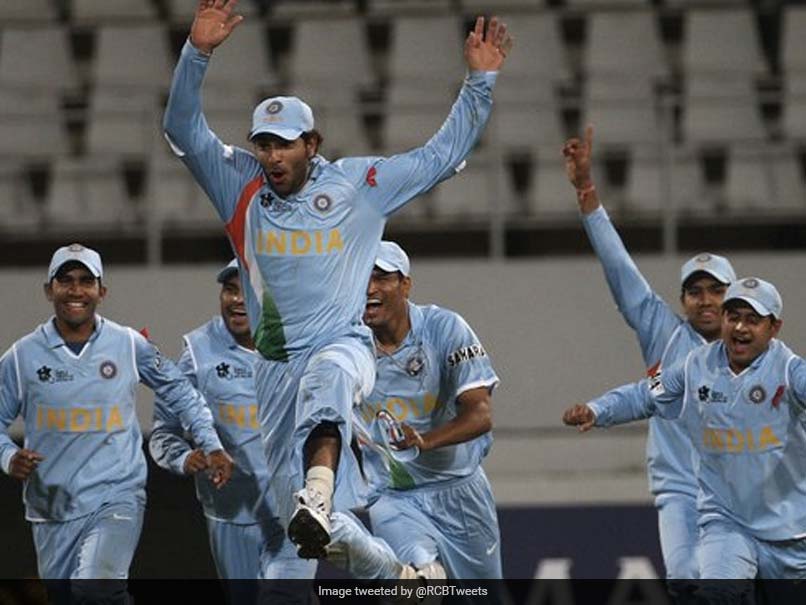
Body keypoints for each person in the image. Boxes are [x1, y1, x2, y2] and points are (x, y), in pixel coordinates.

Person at [163, 0, 512, 567]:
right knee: (311, 533)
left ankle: (320, 491)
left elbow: (440, 156)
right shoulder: (240, 187)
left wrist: (480, 82)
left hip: (344, 347)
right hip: (273, 369)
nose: (272, 155)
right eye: (264, 143)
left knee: (329, 378)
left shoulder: (359, 186)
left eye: (284, 143)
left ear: (313, 144)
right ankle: (394, 573)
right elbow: (181, 129)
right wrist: (196, 52)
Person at [0, 244, 232, 598]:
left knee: (94, 588)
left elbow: (181, 391)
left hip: (116, 496)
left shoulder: (128, 344)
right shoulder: (21, 356)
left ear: (101, 291)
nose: (76, 290)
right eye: (65, 281)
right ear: (49, 290)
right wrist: (8, 457)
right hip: (51, 509)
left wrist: (211, 444)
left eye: (86, 281)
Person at [561, 126, 736, 582]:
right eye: (694, 292)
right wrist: (586, 193)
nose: (704, 300)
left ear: (733, 300)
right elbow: (620, 268)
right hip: (678, 493)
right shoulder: (665, 335)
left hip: (740, 493)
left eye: (716, 291)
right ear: (682, 301)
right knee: (687, 582)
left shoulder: (756, 352)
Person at [565, 277, 806, 589]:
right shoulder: (696, 365)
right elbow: (644, 395)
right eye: (733, 317)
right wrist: (597, 410)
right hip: (727, 521)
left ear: (774, 328)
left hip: (789, 530)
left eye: (753, 320)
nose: (740, 329)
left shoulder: (790, 371)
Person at [149, 260, 316, 597]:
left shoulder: (301, 346)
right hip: (229, 513)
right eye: (230, 289)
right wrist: (184, 458)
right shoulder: (198, 352)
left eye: (247, 291)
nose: (237, 300)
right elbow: (163, 432)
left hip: (293, 510)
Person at [356, 241, 501, 580]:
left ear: (405, 284)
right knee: (422, 582)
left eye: (381, 277)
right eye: (362, 277)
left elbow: (480, 415)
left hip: (459, 491)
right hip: (393, 497)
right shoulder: (348, 344)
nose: (369, 288)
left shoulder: (445, 329)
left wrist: (424, 440)